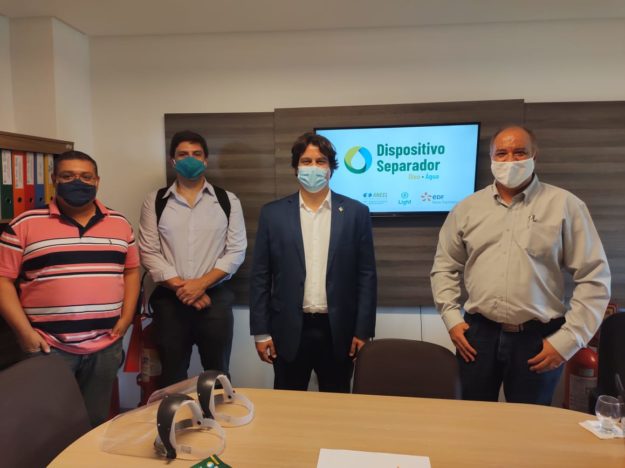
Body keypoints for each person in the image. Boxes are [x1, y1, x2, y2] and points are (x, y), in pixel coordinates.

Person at [431, 125, 611, 405]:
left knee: (531, 423)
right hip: (477, 336)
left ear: (534, 156)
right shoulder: (466, 209)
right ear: (491, 158)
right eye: (502, 153)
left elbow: (594, 278)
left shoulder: (566, 205)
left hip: (538, 339)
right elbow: (444, 266)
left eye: (519, 152)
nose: (510, 160)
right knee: (470, 419)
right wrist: (452, 319)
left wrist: (569, 340)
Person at [0, 150, 140, 427]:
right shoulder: (24, 224)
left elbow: (132, 270)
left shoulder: (120, 223)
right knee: (47, 425)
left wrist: (126, 318)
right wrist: (24, 333)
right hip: (47, 346)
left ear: (97, 181)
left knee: (95, 422)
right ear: (54, 180)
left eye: (86, 176)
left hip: (106, 345)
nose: (78, 182)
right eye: (68, 176)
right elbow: (2, 279)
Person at [250, 132, 377, 392]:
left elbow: (366, 275)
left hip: (339, 331)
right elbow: (260, 276)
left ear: (331, 168)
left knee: (336, 404)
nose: (313, 167)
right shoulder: (273, 214)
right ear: (296, 167)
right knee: (288, 405)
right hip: (288, 329)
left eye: (320, 161)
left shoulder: (356, 213)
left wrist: (363, 331)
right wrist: (261, 332)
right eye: (306, 161)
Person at [138, 130, 246, 388]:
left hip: (215, 300)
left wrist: (201, 285)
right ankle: (175, 415)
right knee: (171, 376)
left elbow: (236, 250)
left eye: (196, 154)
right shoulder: (155, 201)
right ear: (172, 161)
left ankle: (219, 413)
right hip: (170, 301)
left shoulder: (227, 200)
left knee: (218, 374)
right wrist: (186, 288)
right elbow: (149, 252)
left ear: (205, 160)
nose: (190, 159)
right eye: (183, 154)